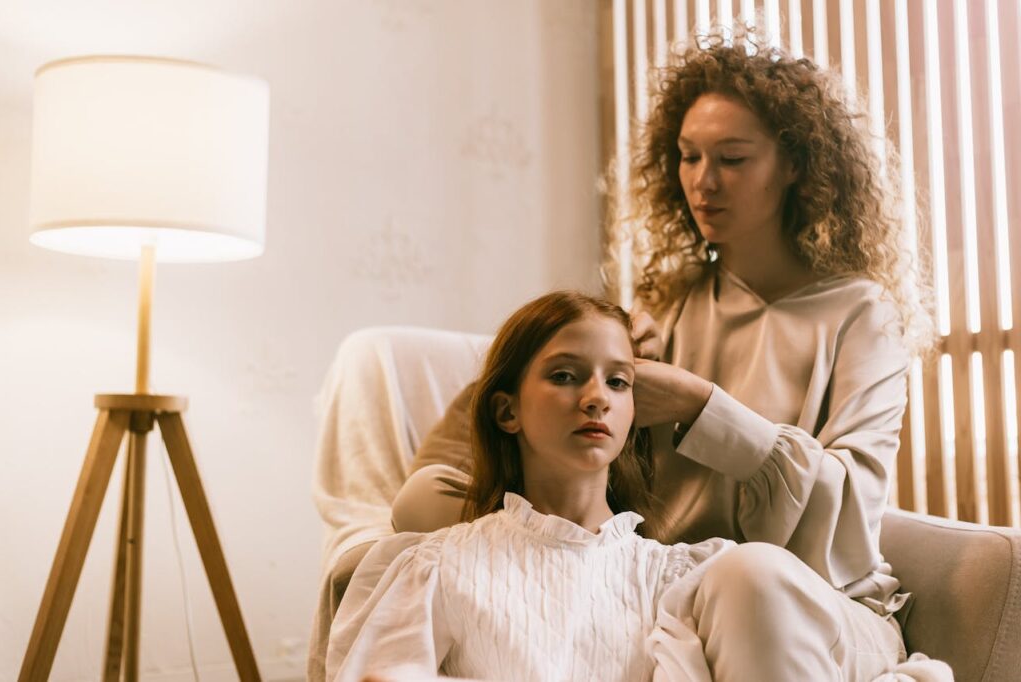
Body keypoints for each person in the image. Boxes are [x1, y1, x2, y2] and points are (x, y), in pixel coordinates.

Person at [390, 27, 951, 681]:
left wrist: (702, 405)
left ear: (796, 164)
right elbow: (478, 429)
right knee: (426, 503)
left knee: (746, 574)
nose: (702, 182)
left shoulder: (862, 312)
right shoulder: (662, 308)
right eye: (688, 157)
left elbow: (853, 509)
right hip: (666, 593)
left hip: (818, 605)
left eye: (732, 159)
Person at [326, 291, 734, 681]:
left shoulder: (677, 581)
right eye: (564, 375)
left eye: (617, 382)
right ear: (507, 411)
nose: (597, 398)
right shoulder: (440, 567)